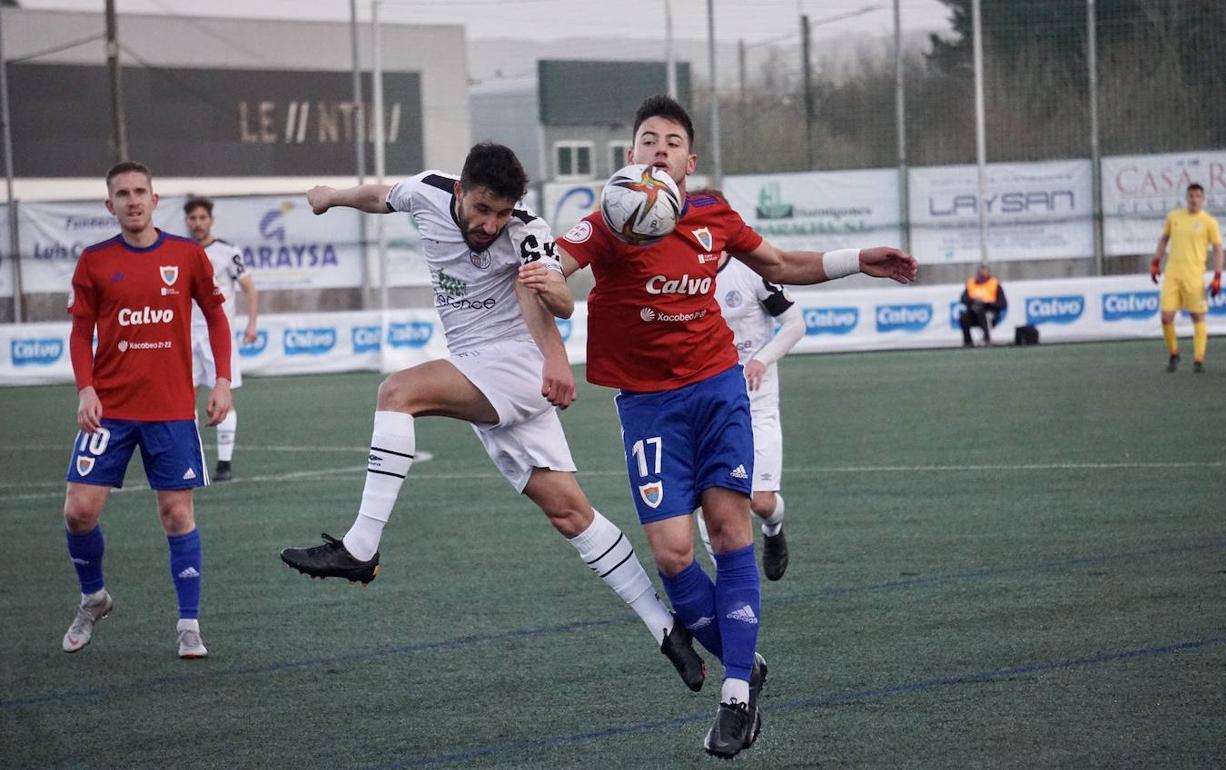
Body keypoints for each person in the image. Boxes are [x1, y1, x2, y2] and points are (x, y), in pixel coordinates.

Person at [555, 95, 917, 759]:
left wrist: (855, 257)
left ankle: (735, 696)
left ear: (689, 162)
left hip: (718, 389)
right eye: (646, 139)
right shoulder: (605, 223)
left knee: (728, 528)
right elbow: (555, 267)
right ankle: (746, 664)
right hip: (646, 405)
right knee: (671, 553)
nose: (658, 148)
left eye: (671, 141)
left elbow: (778, 266)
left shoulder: (713, 215)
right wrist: (546, 297)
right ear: (630, 157)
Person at [278, 142, 705, 692]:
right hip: (479, 366)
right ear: (459, 191)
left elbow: (554, 301)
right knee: (572, 516)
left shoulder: (527, 230)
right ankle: (665, 629)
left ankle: (360, 547)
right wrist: (330, 197)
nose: (491, 223)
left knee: (397, 392)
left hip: (516, 364)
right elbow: (380, 195)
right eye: (483, 209)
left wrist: (556, 344)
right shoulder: (429, 190)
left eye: (502, 212)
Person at [61, 161, 233, 659]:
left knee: (177, 514)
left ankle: (188, 625)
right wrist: (85, 389)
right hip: (109, 410)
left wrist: (221, 380)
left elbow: (217, 318)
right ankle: (93, 597)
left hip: (170, 410)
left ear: (155, 200)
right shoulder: (93, 261)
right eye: (122, 193)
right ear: (109, 204)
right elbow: (79, 332)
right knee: (78, 512)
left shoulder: (186, 255)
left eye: (140, 192)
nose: (132, 200)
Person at [696, 251, 807, 581]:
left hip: (757, 403)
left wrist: (761, 359)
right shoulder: (683, 273)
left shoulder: (751, 270)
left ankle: (774, 529)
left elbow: (795, 324)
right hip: (711, 403)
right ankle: (731, 584)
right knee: (711, 501)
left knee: (760, 502)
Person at [184, 197, 259, 481]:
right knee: (184, 398)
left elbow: (250, 289)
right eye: (193, 218)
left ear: (210, 220)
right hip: (186, 336)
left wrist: (251, 323)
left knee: (225, 396)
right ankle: (191, 458)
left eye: (203, 218)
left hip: (218, 336)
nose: (198, 223)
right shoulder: (180, 252)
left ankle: (224, 464)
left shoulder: (227, 251)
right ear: (187, 222)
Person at [1152, 182, 1224, 373]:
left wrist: (1217, 276)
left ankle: (1198, 360)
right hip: (1173, 274)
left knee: (1197, 316)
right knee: (1166, 317)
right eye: (1191, 196)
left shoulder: (1209, 222)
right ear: (1186, 198)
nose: (1194, 200)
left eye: (1197, 196)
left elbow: (1217, 249)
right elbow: (1164, 239)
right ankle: (1174, 354)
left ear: (1203, 199)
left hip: (1194, 276)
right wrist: (1155, 262)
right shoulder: (1174, 217)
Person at [958, 263, 1007, 347]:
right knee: (964, 318)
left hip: (990, 310)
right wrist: (974, 301)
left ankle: (987, 339)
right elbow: (963, 299)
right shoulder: (971, 283)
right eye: (980, 273)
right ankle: (968, 342)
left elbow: (1002, 303)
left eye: (984, 272)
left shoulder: (994, 284)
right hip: (974, 310)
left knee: (983, 314)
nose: (982, 275)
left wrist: (987, 303)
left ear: (988, 273)